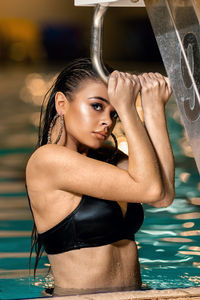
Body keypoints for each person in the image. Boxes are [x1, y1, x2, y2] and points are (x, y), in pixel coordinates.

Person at [26, 58, 175, 296]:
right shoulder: (47, 161)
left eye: (113, 112)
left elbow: (162, 195)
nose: (108, 121)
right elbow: (150, 189)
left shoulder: (108, 157)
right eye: (97, 106)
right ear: (61, 104)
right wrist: (127, 108)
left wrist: (154, 109)